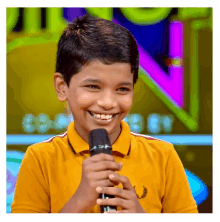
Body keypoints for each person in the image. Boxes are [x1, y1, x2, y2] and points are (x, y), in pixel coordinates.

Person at [11, 14, 198, 213]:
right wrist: (79, 202)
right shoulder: (40, 159)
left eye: (122, 89)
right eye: (93, 86)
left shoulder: (163, 157)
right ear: (61, 86)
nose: (108, 103)